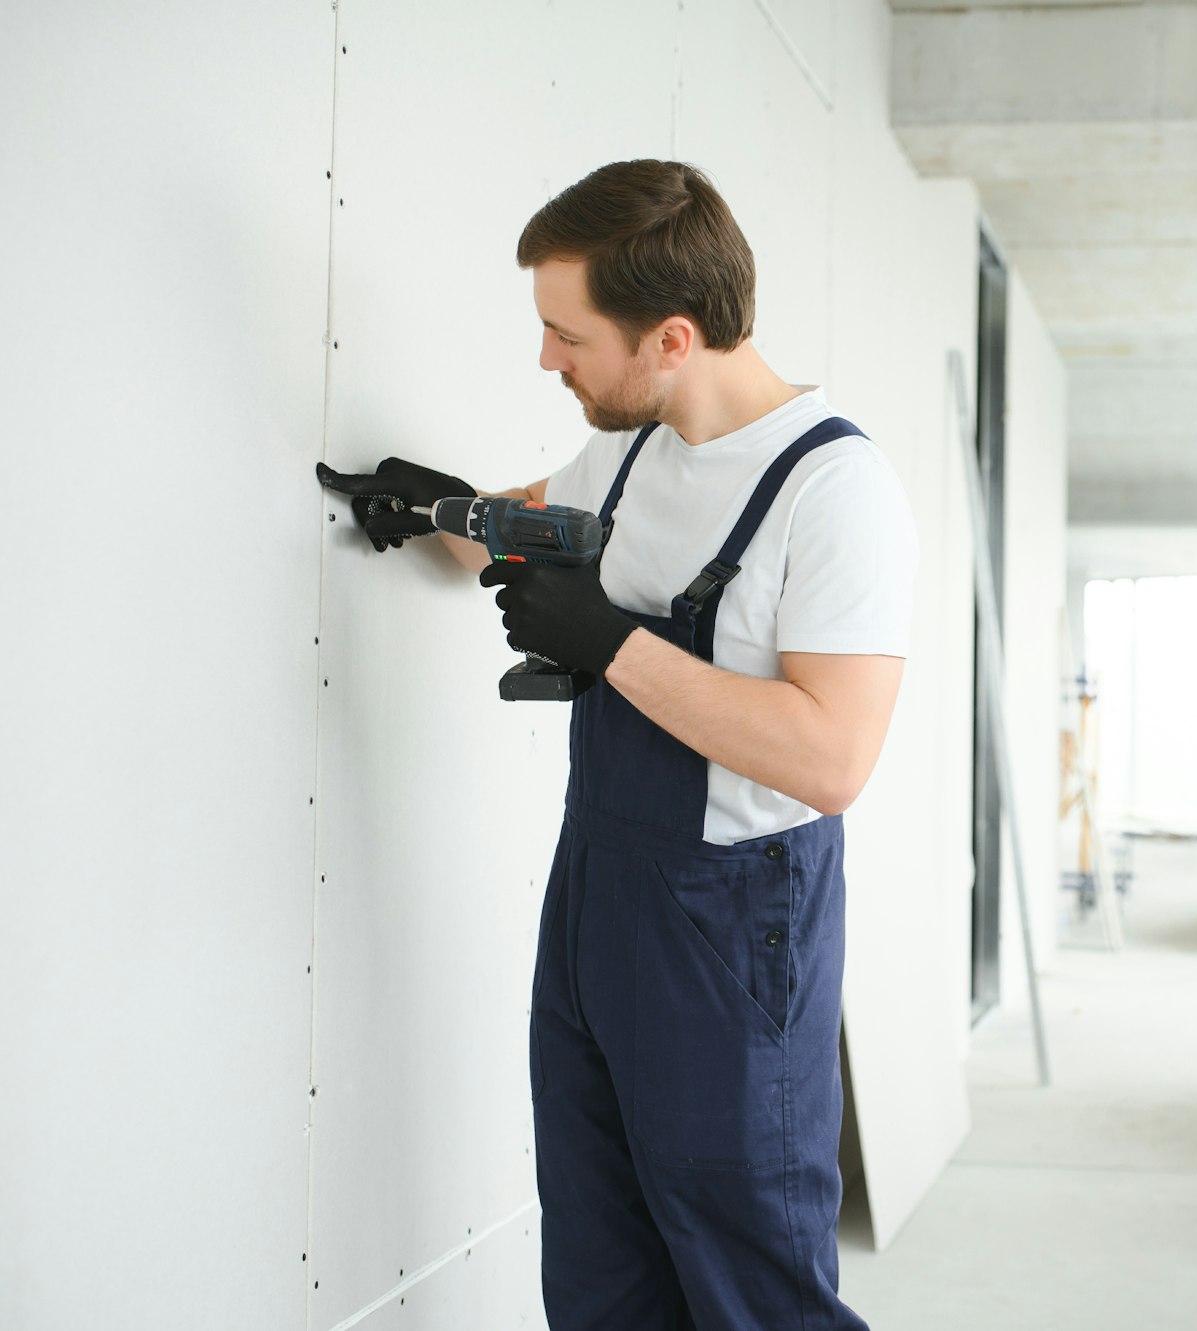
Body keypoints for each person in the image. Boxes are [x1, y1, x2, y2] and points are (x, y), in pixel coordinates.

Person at [317, 159, 911, 1330]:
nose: (549, 360)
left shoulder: (831, 489)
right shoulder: (631, 454)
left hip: (734, 925)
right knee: (600, 1257)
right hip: (597, 890)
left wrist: (611, 642)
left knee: (750, 1277)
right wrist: (437, 507)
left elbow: (833, 757)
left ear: (671, 338)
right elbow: (523, 528)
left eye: (566, 333)